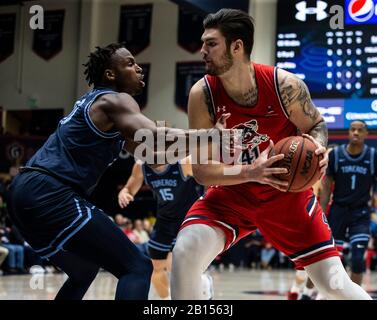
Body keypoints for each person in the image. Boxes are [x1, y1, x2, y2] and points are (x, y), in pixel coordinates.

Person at [170, 9, 371, 300]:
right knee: (185, 252)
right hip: (232, 195)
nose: (202, 51)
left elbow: (316, 125)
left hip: (285, 196)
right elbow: (201, 170)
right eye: (203, 43)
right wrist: (250, 172)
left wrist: (318, 147)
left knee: (334, 284)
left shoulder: (285, 86)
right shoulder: (202, 94)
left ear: (236, 47)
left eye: (211, 44)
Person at [7, 43, 232, 300]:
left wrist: (206, 142)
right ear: (110, 74)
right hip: (49, 191)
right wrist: (210, 134)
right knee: (137, 267)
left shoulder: (101, 109)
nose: (138, 68)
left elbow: (155, 154)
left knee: (84, 270)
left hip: (22, 193)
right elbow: (156, 136)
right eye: (129, 63)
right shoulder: (114, 99)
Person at [118, 157, 209, 299]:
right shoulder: (141, 166)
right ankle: (166, 299)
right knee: (154, 268)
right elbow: (130, 187)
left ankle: (203, 282)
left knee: (176, 267)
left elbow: (207, 173)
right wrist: (124, 193)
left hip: (186, 220)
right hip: (164, 222)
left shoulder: (183, 163)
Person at [319, 120, 376, 287]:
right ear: (348, 132)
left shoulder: (372, 156)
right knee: (332, 261)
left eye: (360, 130)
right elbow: (327, 187)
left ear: (367, 134)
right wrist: (321, 213)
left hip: (361, 213)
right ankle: (320, 294)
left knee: (358, 258)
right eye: (353, 129)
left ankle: (354, 295)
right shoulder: (336, 155)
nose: (356, 133)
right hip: (338, 211)